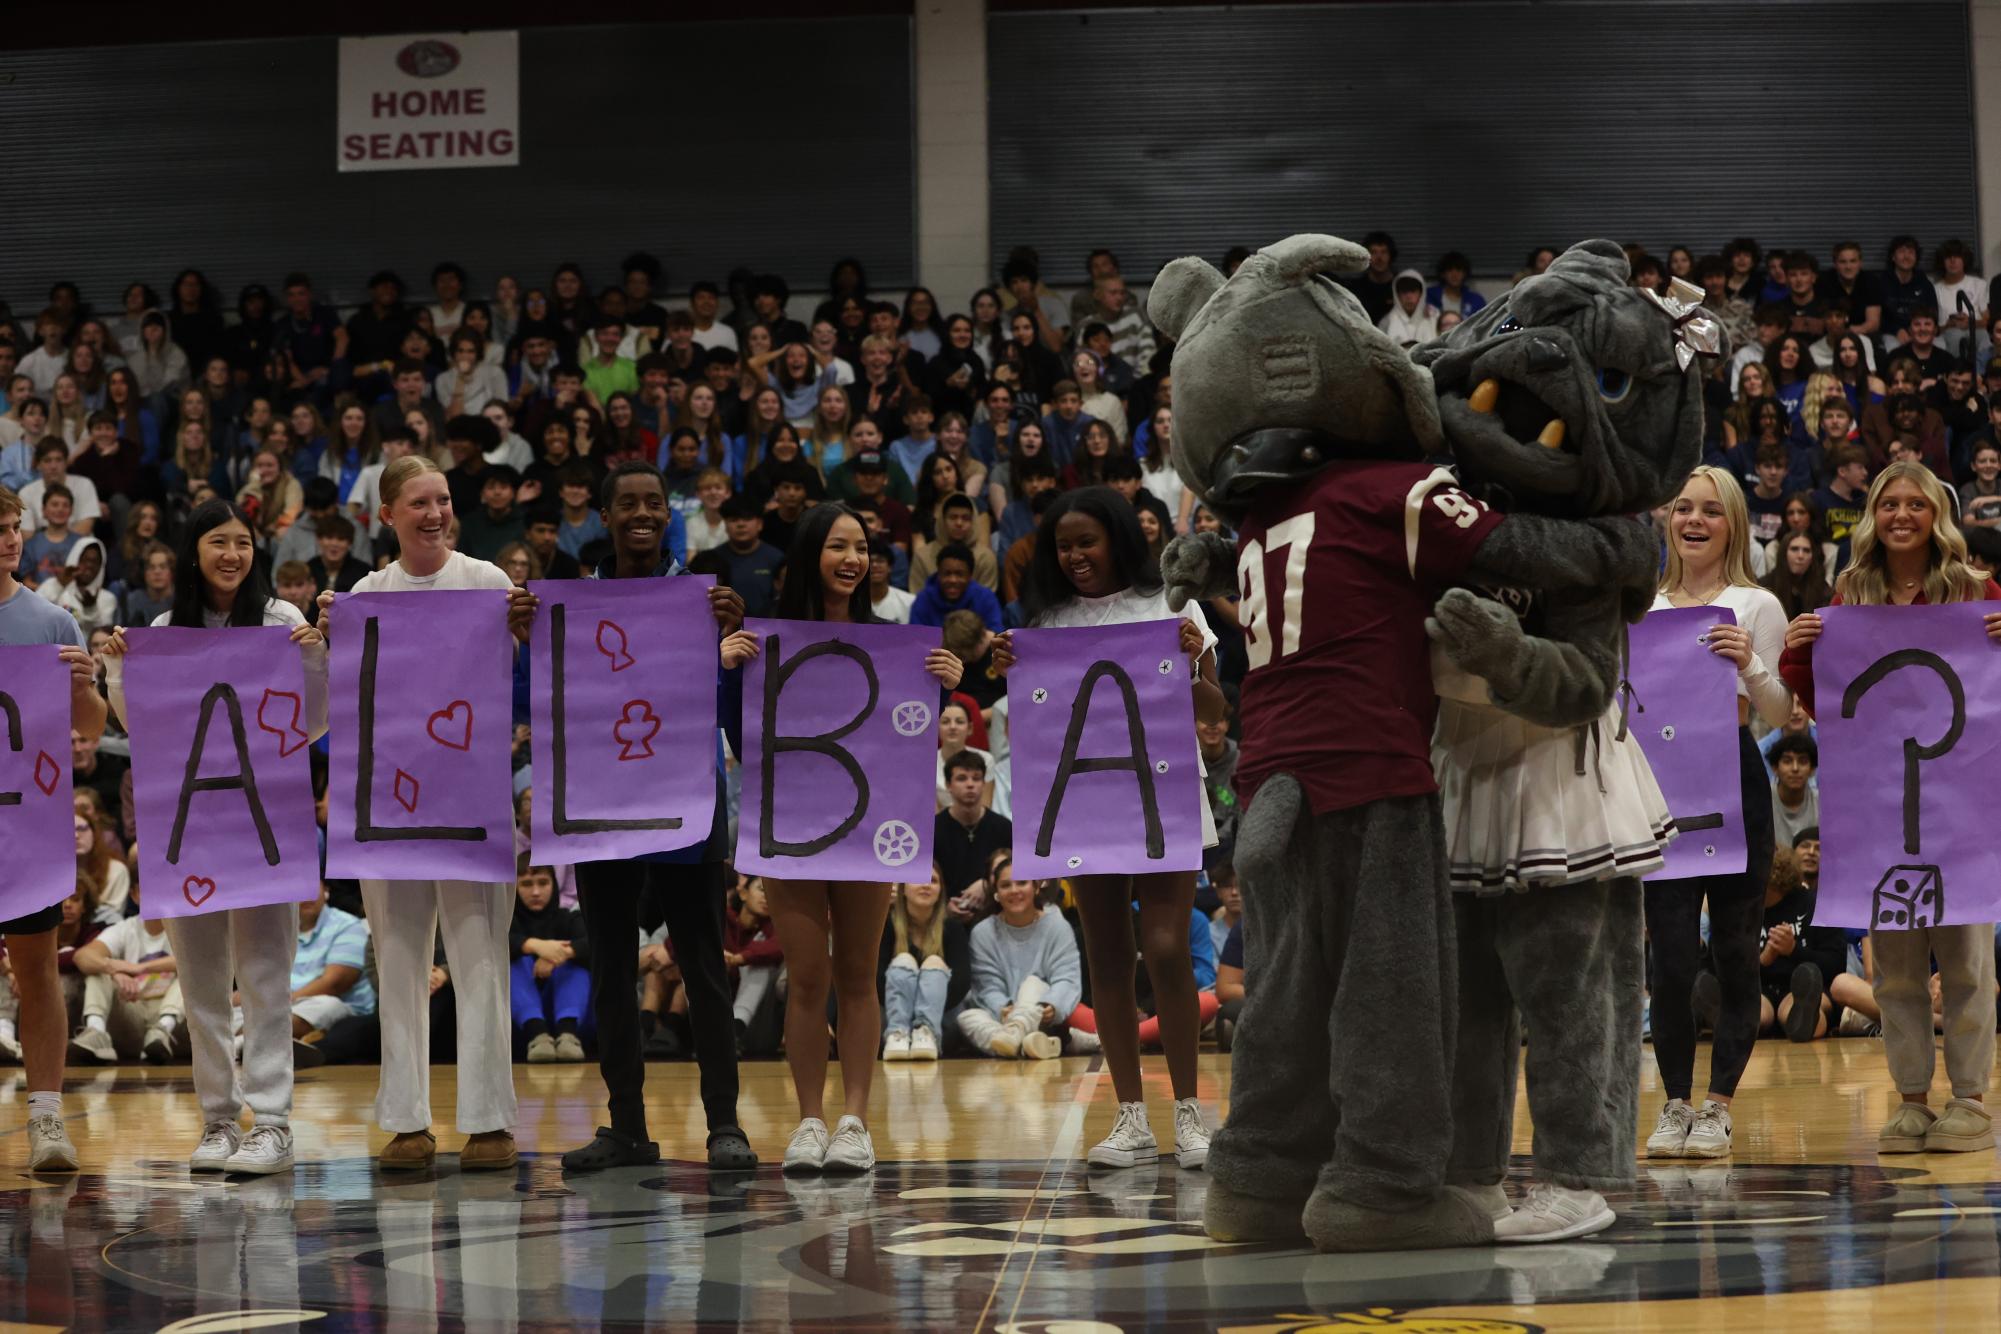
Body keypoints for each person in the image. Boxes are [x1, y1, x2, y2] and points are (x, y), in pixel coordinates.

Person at [515, 459, 758, 1173]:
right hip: (601, 806)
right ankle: (626, 1127)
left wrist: (731, 652)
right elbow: (535, 707)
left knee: (704, 968)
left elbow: (724, 713)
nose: (643, 514)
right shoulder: (569, 607)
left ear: (668, 515)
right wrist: (528, 641)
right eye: (629, 504)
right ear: (605, 515)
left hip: (687, 802)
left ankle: (723, 1125)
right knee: (615, 966)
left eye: (655, 503)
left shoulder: (701, 599)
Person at [720, 502, 963, 1174]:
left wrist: (946, 685)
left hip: (868, 825)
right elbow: (730, 721)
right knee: (805, 977)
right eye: (838, 547)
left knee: (857, 975)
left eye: (861, 547)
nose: (853, 559)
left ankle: (854, 1120)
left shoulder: (894, 639)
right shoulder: (765, 638)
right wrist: (725, 667)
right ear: (808, 555)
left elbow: (906, 726)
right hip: (791, 822)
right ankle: (808, 1122)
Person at [991, 487, 1226, 1168]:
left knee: (1165, 947)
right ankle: (1129, 1117)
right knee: (1106, 957)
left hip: (1162, 798)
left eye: (1085, 542)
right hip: (1082, 807)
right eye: (1062, 546)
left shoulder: (1172, 607)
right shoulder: (1046, 621)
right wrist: (1008, 666)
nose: (1073, 557)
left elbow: (1213, 711)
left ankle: (1187, 1115)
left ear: (1118, 539)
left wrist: (1190, 661)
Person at [99, 497, 329, 1174]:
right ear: (191, 551)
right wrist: (117, 667)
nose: (233, 554)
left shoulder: (281, 620)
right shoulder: (167, 629)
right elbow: (146, 726)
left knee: (263, 976)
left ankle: (276, 1123)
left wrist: (316, 660)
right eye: (218, 542)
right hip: (191, 828)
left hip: (265, 824)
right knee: (199, 983)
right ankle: (220, 1121)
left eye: (243, 542)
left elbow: (310, 724)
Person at [1780, 460, 2001, 1152]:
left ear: (1938, 514)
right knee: (1897, 965)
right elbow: (1831, 709)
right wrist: (1795, 658)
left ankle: (1969, 1098)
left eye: (1914, 503)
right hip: (1878, 813)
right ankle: (1910, 1098)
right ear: (1872, 517)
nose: (1901, 515)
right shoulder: (1849, 596)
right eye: (1888, 504)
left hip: (1960, 811)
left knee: (1965, 962)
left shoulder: (1977, 591)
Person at [315, 455, 528, 1172]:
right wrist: (327, 636)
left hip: (471, 798)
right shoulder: (366, 594)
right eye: (418, 503)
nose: (434, 513)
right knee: (400, 959)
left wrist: (524, 632)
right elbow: (340, 706)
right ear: (387, 515)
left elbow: (517, 682)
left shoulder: (489, 583)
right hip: (390, 802)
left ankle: (490, 1121)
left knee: (480, 958)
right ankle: (406, 1122)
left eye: (442, 499)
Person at [1645, 466, 1792, 1161]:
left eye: (1710, 510)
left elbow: (1782, 714)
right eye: (1683, 509)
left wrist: (1749, 668)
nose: (1693, 521)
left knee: (1735, 953)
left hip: (1733, 777)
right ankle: (1672, 1102)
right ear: (1667, 520)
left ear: (1732, 523)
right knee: (1670, 960)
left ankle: (1718, 1106)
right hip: (1658, 788)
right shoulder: (1638, 603)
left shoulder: (1755, 604)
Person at [0, 482, 105, 1169]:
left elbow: (89, 730)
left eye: (13, 526)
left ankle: (45, 1119)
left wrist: (83, 688)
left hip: (25, 823)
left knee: (36, 969)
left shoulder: (51, 619)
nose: (10, 538)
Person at [957, 856, 1081, 1060]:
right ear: (996, 893)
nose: (1014, 890)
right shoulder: (983, 932)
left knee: (1032, 984)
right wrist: (1003, 1009)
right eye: (1006, 885)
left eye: (1022, 883)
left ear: (1035, 887)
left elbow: (1066, 977)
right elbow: (987, 986)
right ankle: (1025, 1044)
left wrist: (1052, 1006)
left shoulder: (1057, 926)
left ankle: (1014, 1036)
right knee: (966, 1017)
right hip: (1001, 1017)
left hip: (1043, 1013)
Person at [66, 876, 182, 1064]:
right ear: (134, 895)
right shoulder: (126, 928)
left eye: (160, 888)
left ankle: (162, 1030)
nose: (154, 896)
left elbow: (202, 958)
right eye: (147, 890)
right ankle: (96, 1033)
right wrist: (112, 969)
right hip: (134, 1010)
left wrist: (140, 968)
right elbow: (82, 956)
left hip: (175, 1022)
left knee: (191, 976)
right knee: (98, 970)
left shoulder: (183, 927)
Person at [1754, 832, 1847, 1044]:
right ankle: (1729, 1017)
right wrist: (1763, 959)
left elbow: (1836, 963)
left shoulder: (1816, 904)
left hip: (1805, 986)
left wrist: (1793, 950)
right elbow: (1723, 963)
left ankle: (1806, 1021)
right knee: (1758, 1013)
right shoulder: (1742, 910)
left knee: (1796, 1008)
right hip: (1759, 986)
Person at [879, 862, 971, 1061]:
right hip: (891, 1014)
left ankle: (926, 1032)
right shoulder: (886, 926)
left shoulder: (953, 929)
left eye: (933, 881)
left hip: (942, 1017)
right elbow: (876, 978)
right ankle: (898, 1034)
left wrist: (927, 1004)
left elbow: (962, 982)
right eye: (917, 880)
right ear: (903, 889)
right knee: (903, 960)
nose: (926, 885)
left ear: (940, 891)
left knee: (934, 962)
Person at [509, 865, 589, 1064]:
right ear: (514, 888)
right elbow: (492, 945)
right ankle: (537, 1034)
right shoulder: (505, 921)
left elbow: (595, 944)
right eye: (526, 884)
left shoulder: (569, 918)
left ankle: (567, 1035)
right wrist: (534, 945)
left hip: (577, 1022)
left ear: (554, 885)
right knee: (513, 962)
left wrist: (560, 955)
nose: (535, 892)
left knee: (575, 962)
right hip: (519, 1027)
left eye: (543, 883)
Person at [910, 545, 1004, 632]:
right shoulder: (923, 600)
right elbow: (916, 638)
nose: (953, 580)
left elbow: (995, 634)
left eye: (959, 574)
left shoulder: (985, 598)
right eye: (947, 573)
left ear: (970, 576)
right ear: (938, 574)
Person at [1767, 732, 1820, 850]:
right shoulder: (1761, 803)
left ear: (1812, 770)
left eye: (1802, 761)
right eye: (1787, 761)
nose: (1795, 768)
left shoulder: (1822, 803)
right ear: (1775, 768)